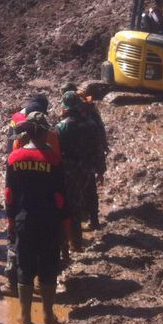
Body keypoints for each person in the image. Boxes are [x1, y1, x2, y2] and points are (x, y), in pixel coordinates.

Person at [6, 113, 80, 324]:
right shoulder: (55, 159)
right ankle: (48, 314)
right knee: (48, 264)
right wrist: (66, 229)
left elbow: (9, 193)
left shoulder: (14, 158)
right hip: (49, 221)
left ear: (27, 134)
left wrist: (11, 222)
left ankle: (25, 315)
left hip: (23, 219)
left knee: (25, 264)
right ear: (46, 133)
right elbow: (60, 197)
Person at [56, 90, 109, 230]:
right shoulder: (90, 123)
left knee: (73, 201)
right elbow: (98, 148)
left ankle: (76, 235)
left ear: (66, 107)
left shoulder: (61, 127)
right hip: (88, 166)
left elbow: (56, 151)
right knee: (91, 192)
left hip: (70, 169)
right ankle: (94, 221)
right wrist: (101, 170)